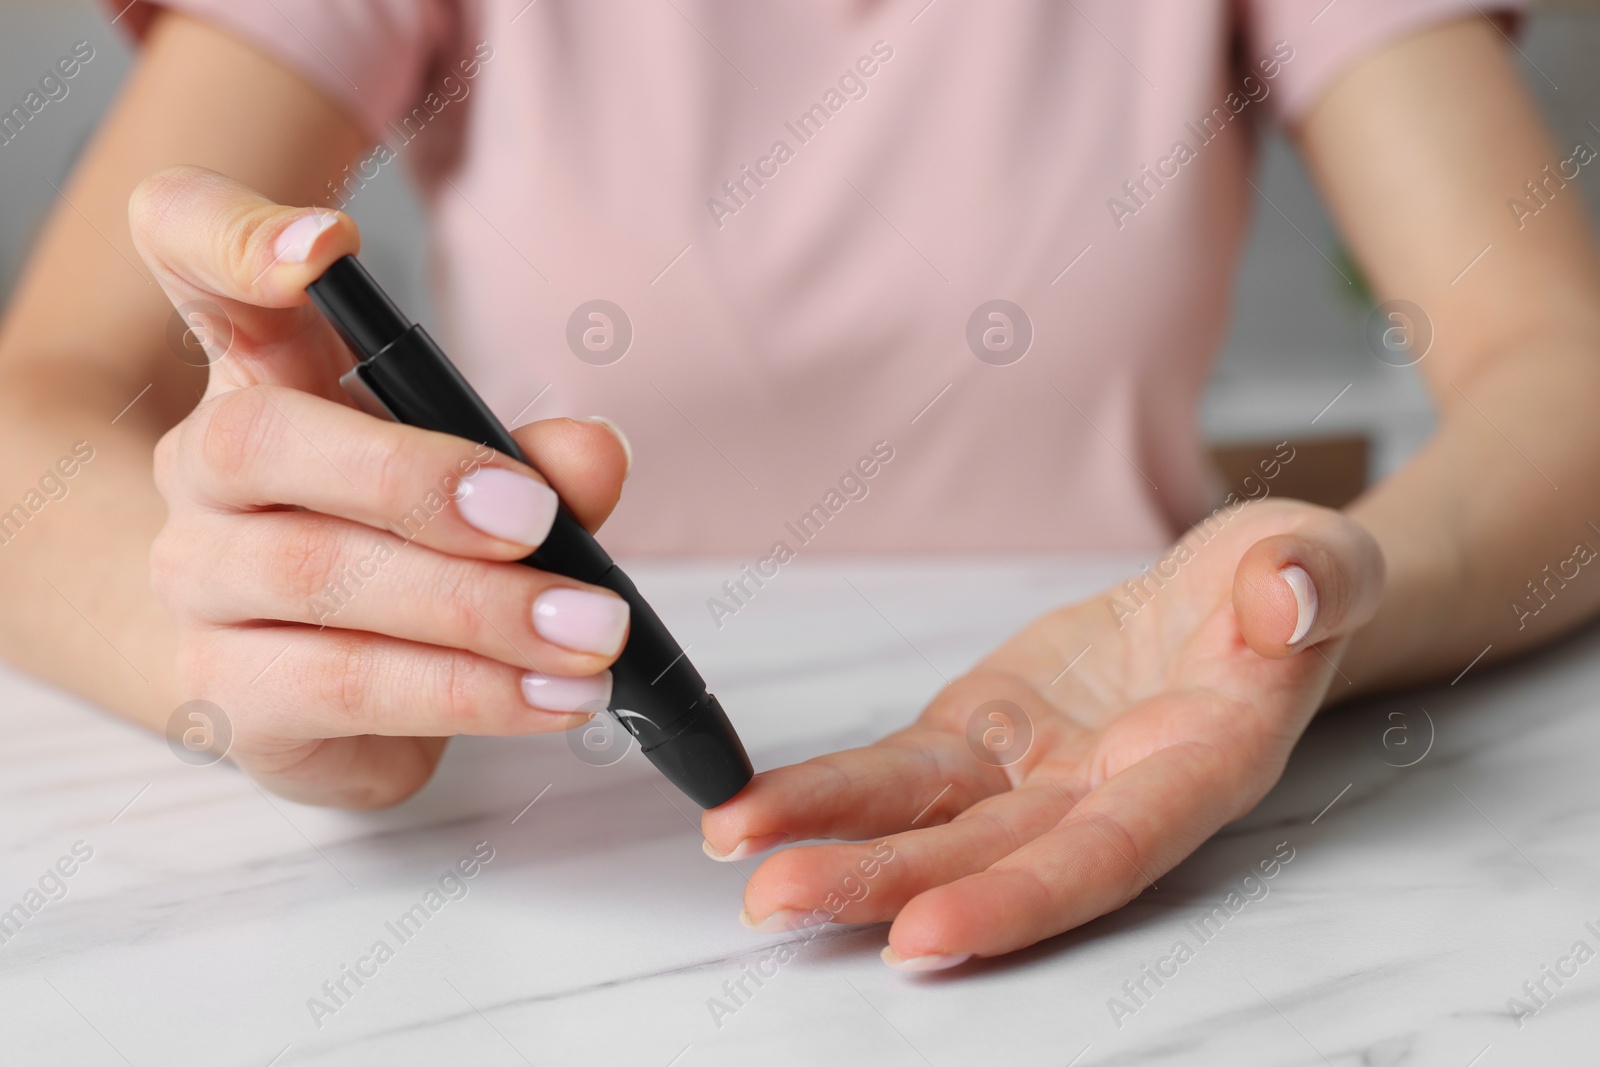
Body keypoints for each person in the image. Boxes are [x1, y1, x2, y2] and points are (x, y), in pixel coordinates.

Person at [0, 0, 1596, 972]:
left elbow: (1566, 376)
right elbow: (31, 419)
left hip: (1147, 748)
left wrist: (1304, 607)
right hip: (546, 850)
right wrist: (254, 662)